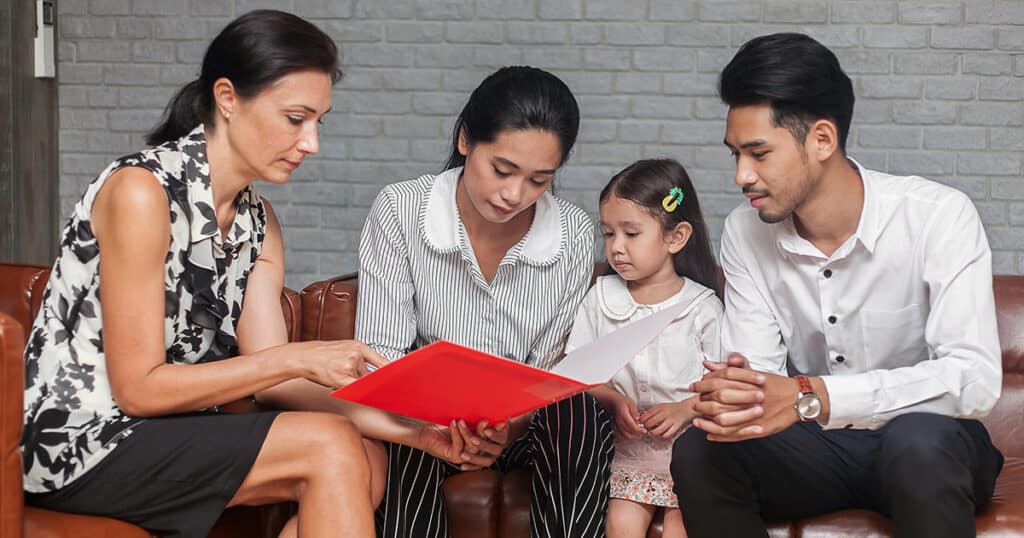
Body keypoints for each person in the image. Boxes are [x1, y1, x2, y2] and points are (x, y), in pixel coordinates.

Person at [20, 11, 482, 538]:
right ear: (227, 98)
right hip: (81, 442)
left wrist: (415, 429)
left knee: (366, 454)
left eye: (318, 122)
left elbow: (278, 383)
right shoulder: (140, 192)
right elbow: (138, 391)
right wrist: (297, 356)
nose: (312, 143)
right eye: (295, 118)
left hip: (170, 432)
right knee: (329, 447)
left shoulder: (258, 224)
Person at [669, 32, 1004, 538]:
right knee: (702, 449)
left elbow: (974, 381)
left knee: (919, 444)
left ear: (822, 139)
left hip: (925, 447)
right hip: (816, 450)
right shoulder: (745, 230)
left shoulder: (938, 217)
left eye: (758, 153)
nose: (741, 175)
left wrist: (812, 395)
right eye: (735, 153)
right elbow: (760, 380)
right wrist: (736, 394)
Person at [353, 65, 615, 538]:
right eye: (502, 169)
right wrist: (433, 426)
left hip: (517, 425)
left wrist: (507, 431)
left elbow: (551, 369)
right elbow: (381, 357)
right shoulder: (400, 210)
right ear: (465, 140)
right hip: (420, 422)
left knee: (579, 415)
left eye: (539, 180)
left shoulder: (573, 231)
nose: (515, 195)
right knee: (411, 440)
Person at [565, 159, 722, 538]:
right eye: (608, 234)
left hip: (691, 455)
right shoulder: (600, 298)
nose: (616, 247)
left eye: (631, 233)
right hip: (631, 454)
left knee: (681, 529)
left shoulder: (702, 307)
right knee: (620, 526)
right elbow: (575, 373)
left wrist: (685, 409)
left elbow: (722, 384)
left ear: (675, 237)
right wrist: (614, 401)